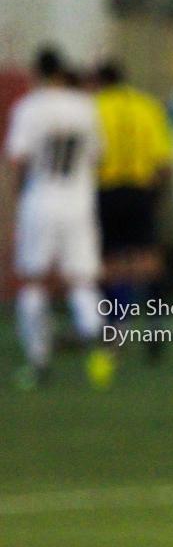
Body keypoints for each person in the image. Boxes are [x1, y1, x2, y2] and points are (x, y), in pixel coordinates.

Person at [4, 46, 113, 389]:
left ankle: (38, 361)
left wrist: (16, 203)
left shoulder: (28, 107)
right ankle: (98, 349)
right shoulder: (85, 107)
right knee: (82, 281)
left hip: (41, 200)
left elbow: (18, 160)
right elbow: (98, 156)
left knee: (34, 281)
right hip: (78, 202)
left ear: (37, 72)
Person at [93, 60, 173, 360]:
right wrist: (155, 196)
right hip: (141, 190)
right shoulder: (147, 106)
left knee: (109, 263)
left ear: (99, 81)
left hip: (106, 190)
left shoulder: (94, 108)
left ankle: (116, 327)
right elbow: (164, 162)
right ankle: (155, 324)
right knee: (149, 260)